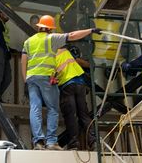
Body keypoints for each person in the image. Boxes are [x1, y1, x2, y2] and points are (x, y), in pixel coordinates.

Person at [21, 15, 100, 150]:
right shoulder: (52, 39)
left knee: (35, 108)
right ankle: (51, 142)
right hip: (51, 78)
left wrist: (25, 80)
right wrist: (90, 30)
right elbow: (73, 35)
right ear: (50, 29)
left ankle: (38, 142)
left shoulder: (28, 41)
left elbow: (23, 61)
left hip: (32, 78)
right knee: (54, 109)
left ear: (39, 26)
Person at [54, 45, 96, 150]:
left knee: (71, 115)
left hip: (67, 86)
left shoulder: (50, 56)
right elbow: (85, 64)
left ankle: (74, 144)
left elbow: (51, 76)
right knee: (84, 115)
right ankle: (94, 142)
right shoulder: (65, 51)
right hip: (80, 84)